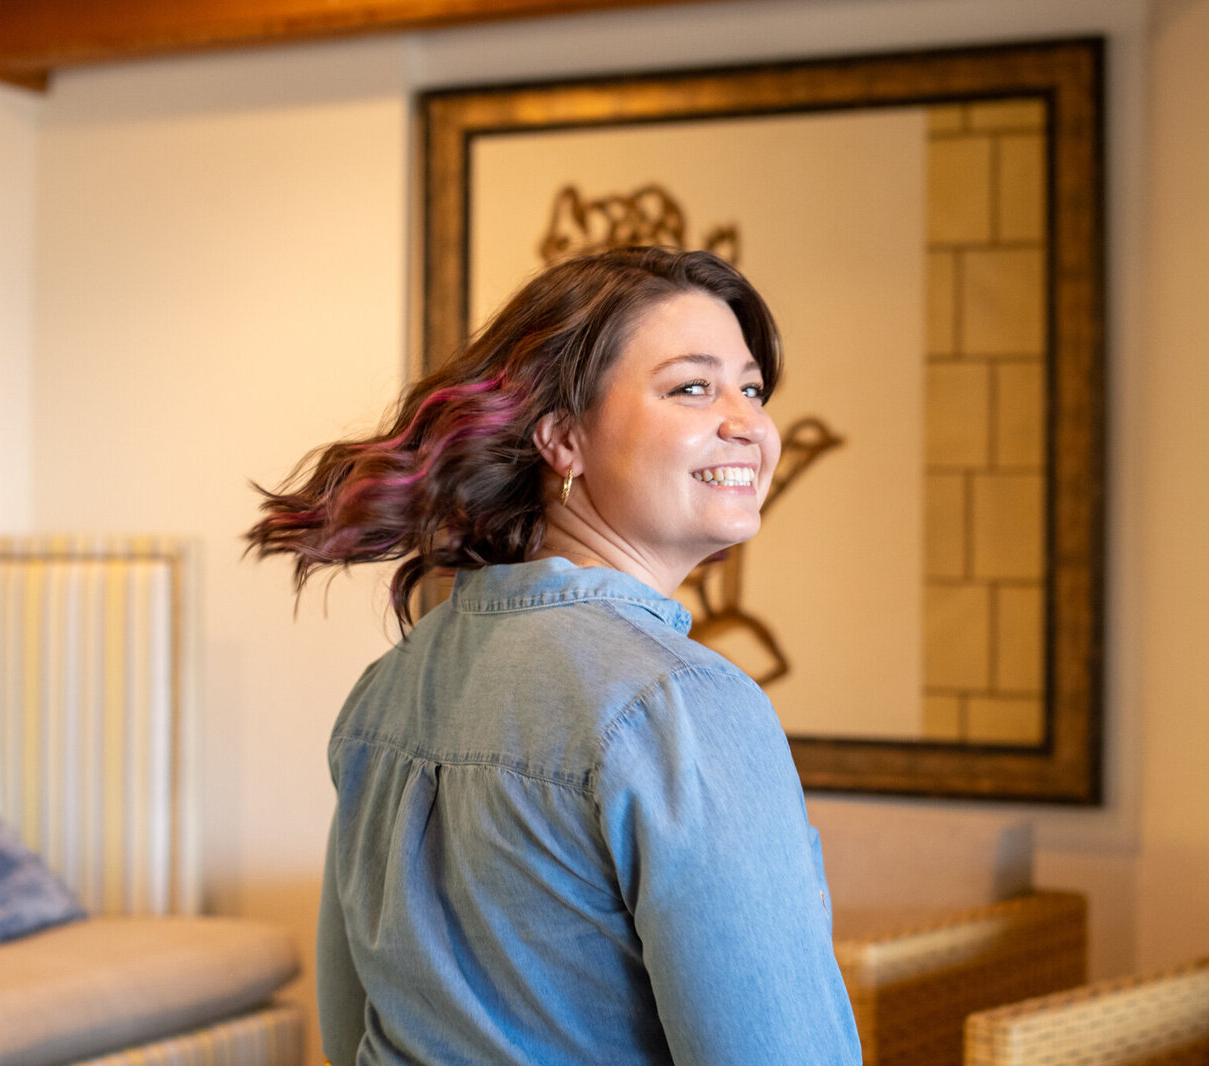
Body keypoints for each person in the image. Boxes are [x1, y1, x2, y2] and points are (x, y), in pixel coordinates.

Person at [247, 246, 862, 1065]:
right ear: (563, 439)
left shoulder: (385, 692)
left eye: (751, 388)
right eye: (692, 387)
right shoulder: (680, 705)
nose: (748, 422)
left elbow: (348, 1020)